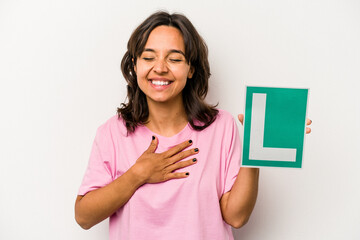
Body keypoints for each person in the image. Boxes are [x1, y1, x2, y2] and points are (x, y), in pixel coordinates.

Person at [75, 11, 311, 240]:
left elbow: (236, 217)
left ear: (191, 69)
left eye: (175, 58)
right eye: (148, 57)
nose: (160, 67)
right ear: (134, 65)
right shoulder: (113, 133)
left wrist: (256, 148)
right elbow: (84, 217)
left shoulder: (221, 126)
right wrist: (138, 174)